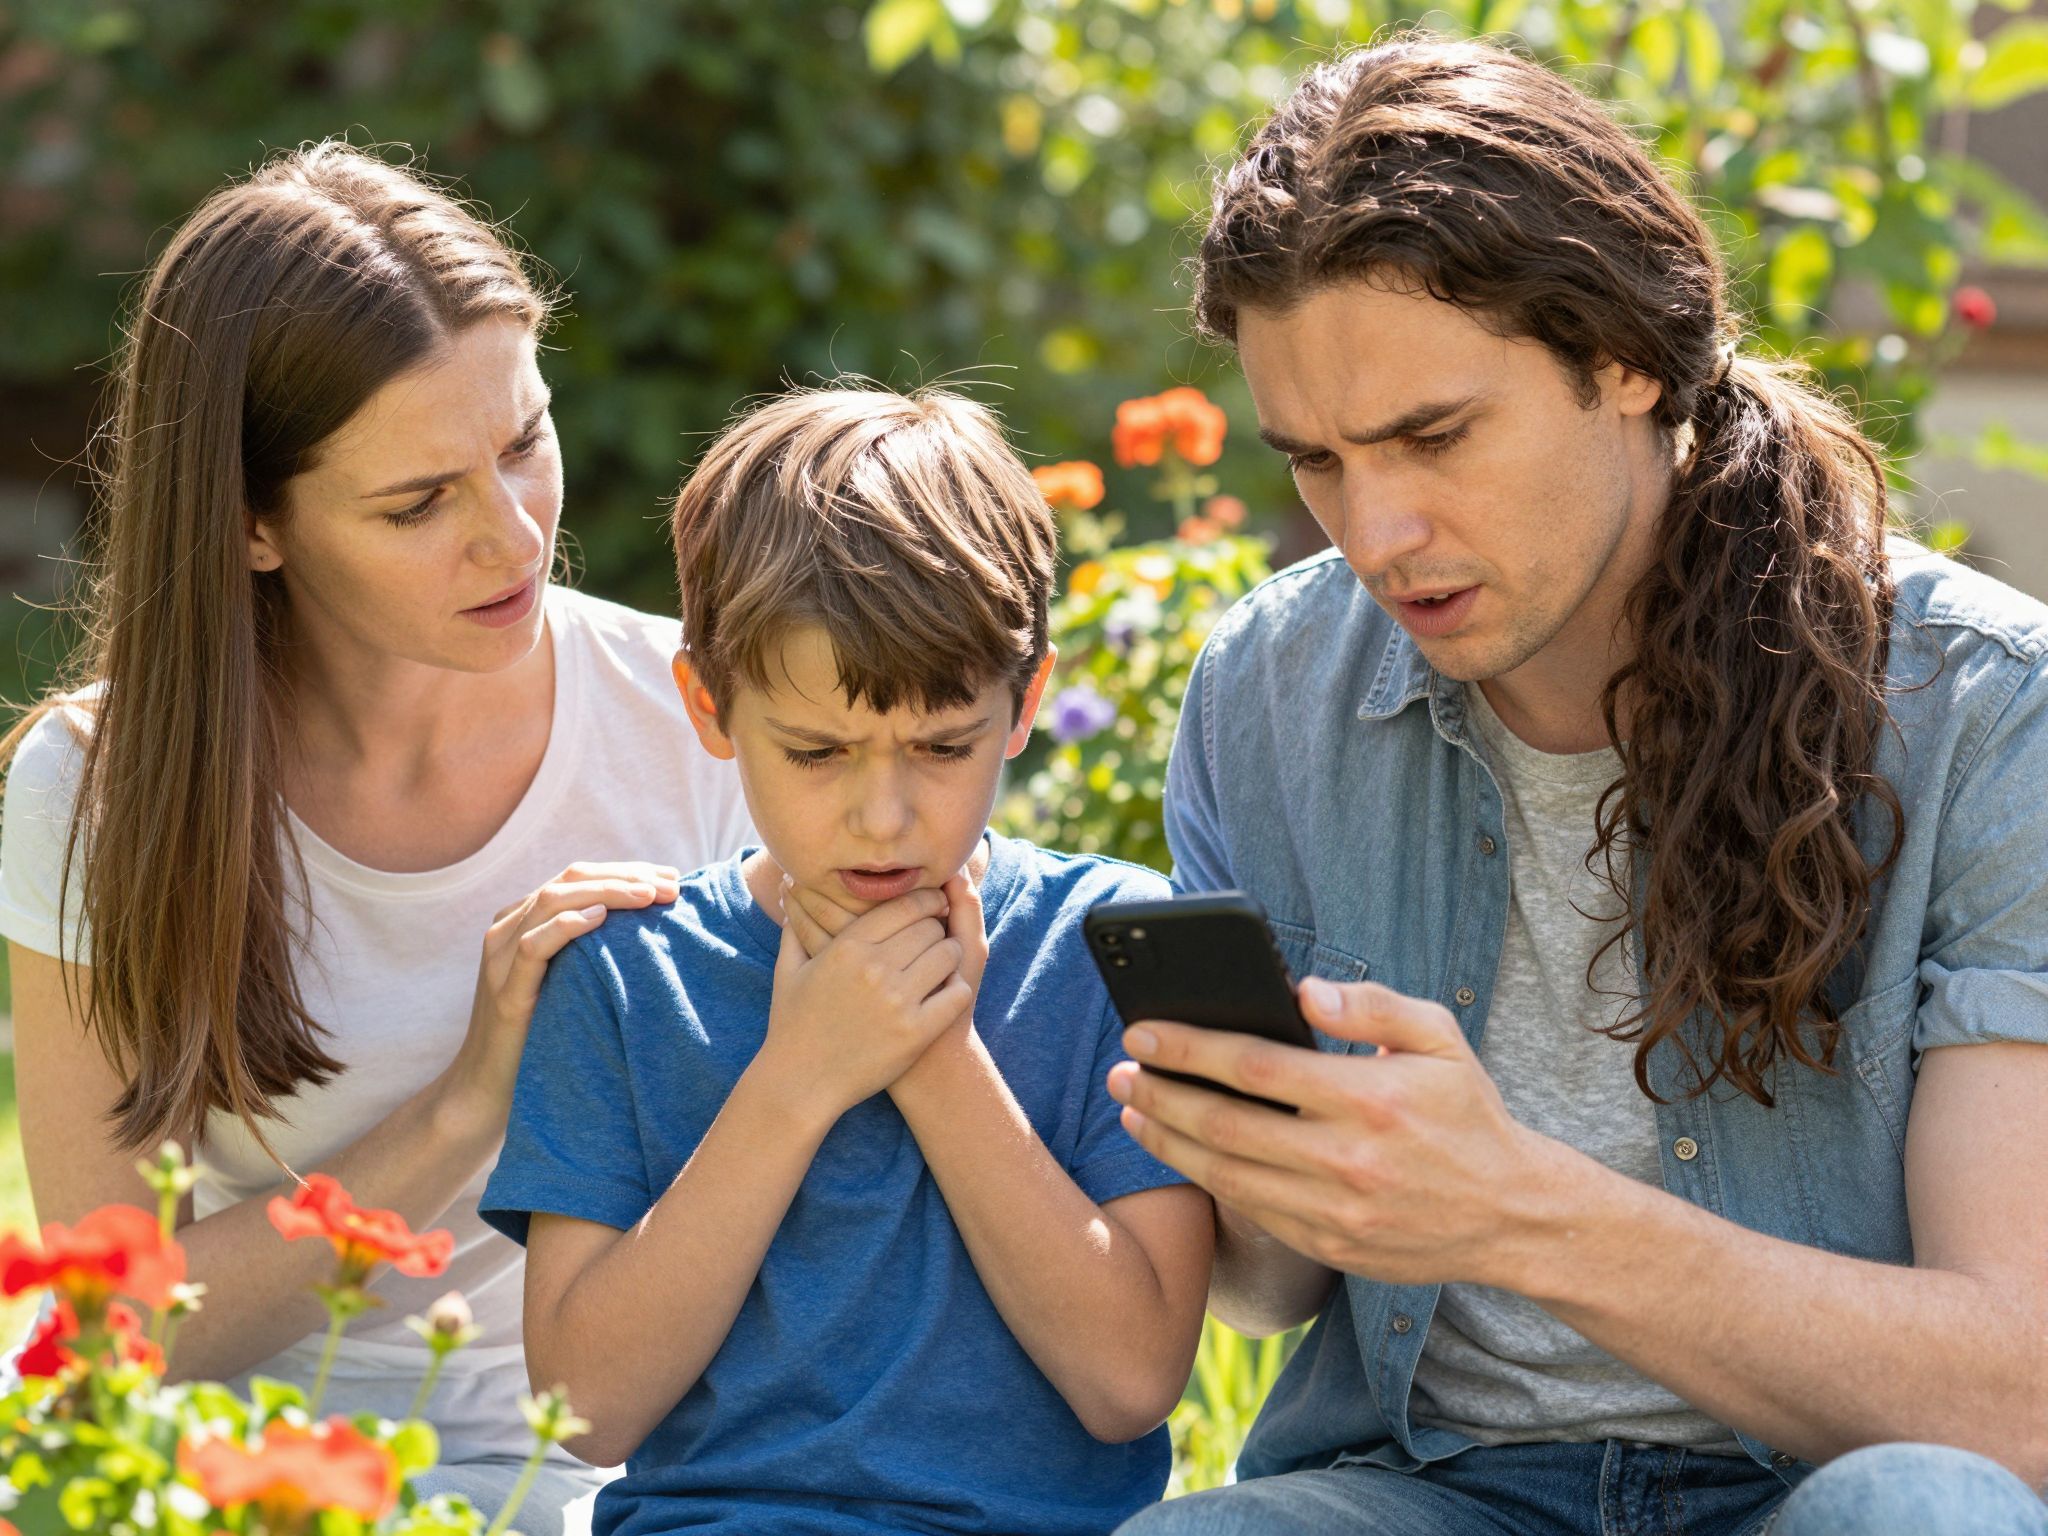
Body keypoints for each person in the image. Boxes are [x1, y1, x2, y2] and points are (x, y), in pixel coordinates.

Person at [1106, 34, 2048, 1536]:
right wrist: (1241, 1148)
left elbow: (2017, 1402)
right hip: (1435, 1488)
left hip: (1825, 1487)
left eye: (1432, 437)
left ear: (1624, 357)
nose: (1376, 532)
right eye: (1319, 463)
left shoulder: (1989, 713)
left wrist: (1513, 1214)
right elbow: (1266, 1290)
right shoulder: (1270, 694)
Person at [0, 143, 752, 1533]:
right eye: (419, 503)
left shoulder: (708, 721)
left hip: (593, 1488)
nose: (513, 535)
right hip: (223, 1481)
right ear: (252, 528)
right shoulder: (94, 790)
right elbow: (108, 1340)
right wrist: (464, 1107)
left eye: (525, 440)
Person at [477, 385, 1216, 1536]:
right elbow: (583, 1413)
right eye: (816, 752)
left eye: (940, 746)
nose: (883, 817)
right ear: (709, 705)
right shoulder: (625, 975)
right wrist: (801, 1075)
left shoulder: (1111, 946)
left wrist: (933, 1057)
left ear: (1024, 704)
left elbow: (1128, 1384)